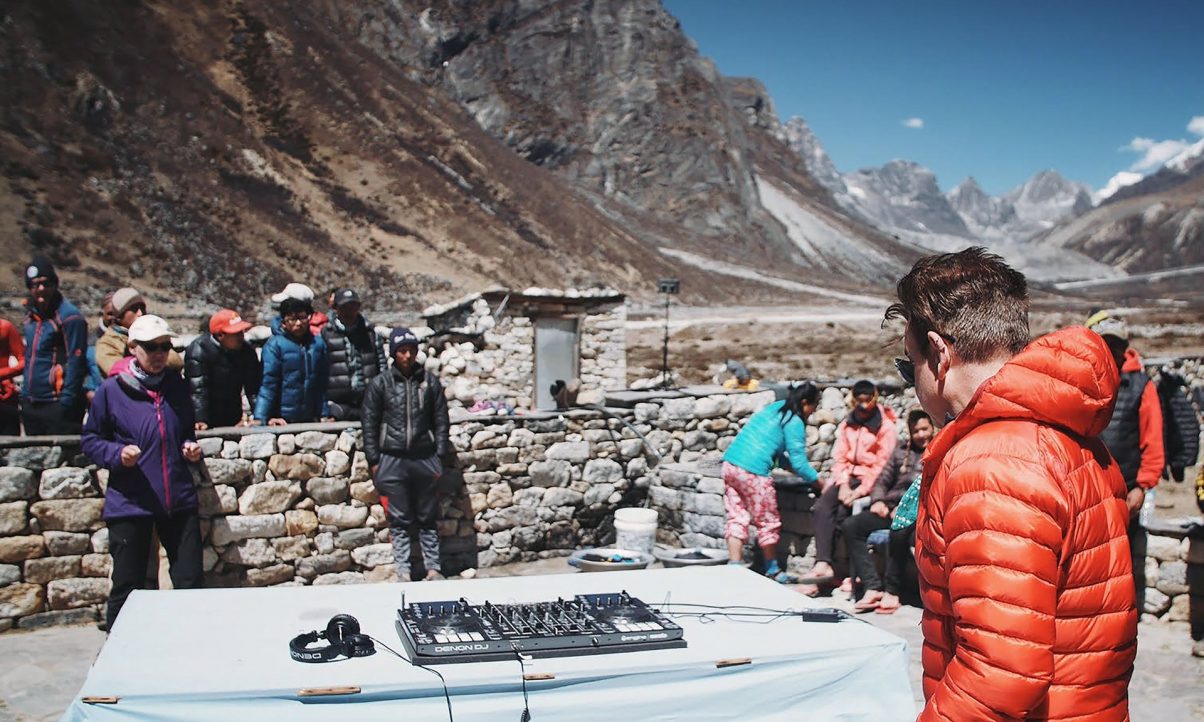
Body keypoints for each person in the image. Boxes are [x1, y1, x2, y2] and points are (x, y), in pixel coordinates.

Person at [886, 247, 1135, 721]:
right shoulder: (1065, 432)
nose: (912, 383)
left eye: (907, 365)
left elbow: (1000, 672)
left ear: (939, 354)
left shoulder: (992, 462)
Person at [81, 315, 204, 630]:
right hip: (131, 499)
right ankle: (116, 656)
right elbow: (92, 441)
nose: (160, 353)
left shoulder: (176, 386)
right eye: (152, 347)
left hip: (176, 496)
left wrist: (189, 446)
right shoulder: (111, 390)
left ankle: (194, 646)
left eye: (166, 346)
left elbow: (184, 430)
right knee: (128, 583)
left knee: (190, 579)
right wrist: (117, 454)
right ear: (133, 347)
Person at [1086, 310, 1164, 614]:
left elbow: (1152, 439)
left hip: (1125, 489)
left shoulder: (1141, 386)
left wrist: (1143, 485)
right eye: (1105, 343)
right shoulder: (1085, 379)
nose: (1112, 352)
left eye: (1116, 345)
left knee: (1119, 560)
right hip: (1086, 487)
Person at [361, 327, 451, 581]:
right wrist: (374, 460)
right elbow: (369, 422)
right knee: (399, 519)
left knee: (427, 516)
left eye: (411, 350)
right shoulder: (381, 384)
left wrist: (440, 455)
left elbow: (441, 420)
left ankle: (433, 568)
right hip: (392, 458)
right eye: (402, 351)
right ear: (393, 354)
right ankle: (404, 570)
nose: (407, 356)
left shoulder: (429, 382)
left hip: (425, 458)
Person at [719, 382, 820, 582]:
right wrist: (819, 483)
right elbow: (799, 462)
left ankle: (734, 566)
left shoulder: (776, 408)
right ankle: (773, 569)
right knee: (767, 520)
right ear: (805, 402)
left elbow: (776, 452)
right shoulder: (794, 420)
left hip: (731, 465)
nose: (814, 411)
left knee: (737, 517)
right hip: (753, 472)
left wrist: (789, 467)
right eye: (814, 406)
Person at [807, 380, 897, 585]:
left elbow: (882, 466)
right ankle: (823, 563)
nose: (863, 407)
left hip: (869, 479)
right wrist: (844, 484)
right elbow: (840, 457)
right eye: (859, 401)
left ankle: (844, 571)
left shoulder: (886, 427)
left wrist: (858, 492)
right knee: (822, 507)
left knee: (842, 515)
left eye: (868, 401)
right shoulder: (849, 423)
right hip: (847, 477)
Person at [841, 408, 931, 613]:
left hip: (915, 514)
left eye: (925, 429)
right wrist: (878, 500)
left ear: (932, 428)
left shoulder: (936, 451)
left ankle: (892, 590)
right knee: (851, 526)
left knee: (898, 533)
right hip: (889, 509)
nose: (921, 435)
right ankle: (872, 586)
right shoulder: (901, 452)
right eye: (916, 431)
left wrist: (906, 510)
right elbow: (882, 480)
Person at [20, 256, 88, 435]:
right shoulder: (30, 318)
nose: (41, 289)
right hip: (31, 402)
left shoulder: (70, 318)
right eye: (35, 285)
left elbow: (76, 361)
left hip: (57, 403)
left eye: (46, 283)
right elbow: (29, 357)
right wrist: (24, 394)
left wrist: (66, 401)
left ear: (55, 284)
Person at [253, 295, 329, 426]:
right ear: (283, 322)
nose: (298, 323)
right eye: (293, 319)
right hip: (282, 418)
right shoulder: (274, 346)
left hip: (310, 417)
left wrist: (325, 413)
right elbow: (268, 384)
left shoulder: (318, 344)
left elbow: (322, 383)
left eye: (302, 318)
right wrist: (261, 417)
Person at [185, 309, 261, 429]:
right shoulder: (199, 350)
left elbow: (253, 389)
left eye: (241, 331)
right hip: (207, 417)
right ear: (220, 335)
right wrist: (200, 419)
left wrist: (260, 416)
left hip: (233, 415)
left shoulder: (247, 351)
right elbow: (198, 389)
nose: (241, 336)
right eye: (236, 333)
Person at [322, 289, 385, 421]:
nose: (349, 311)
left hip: (368, 401)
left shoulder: (370, 334)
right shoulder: (326, 335)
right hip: (337, 404)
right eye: (344, 307)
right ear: (336, 308)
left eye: (353, 306)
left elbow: (382, 368)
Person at [95, 287, 183, 376]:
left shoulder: (151, 333)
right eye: (134, 309)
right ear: (119, 315)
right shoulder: (107, 343)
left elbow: (176, 361)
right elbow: (116, 370)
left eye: (142, 308)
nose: (140, 313)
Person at [0, 315, 25, 435]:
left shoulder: (5, 327)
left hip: (5, 397)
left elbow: (24, 361)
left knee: (10, 447)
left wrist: (3, 374)